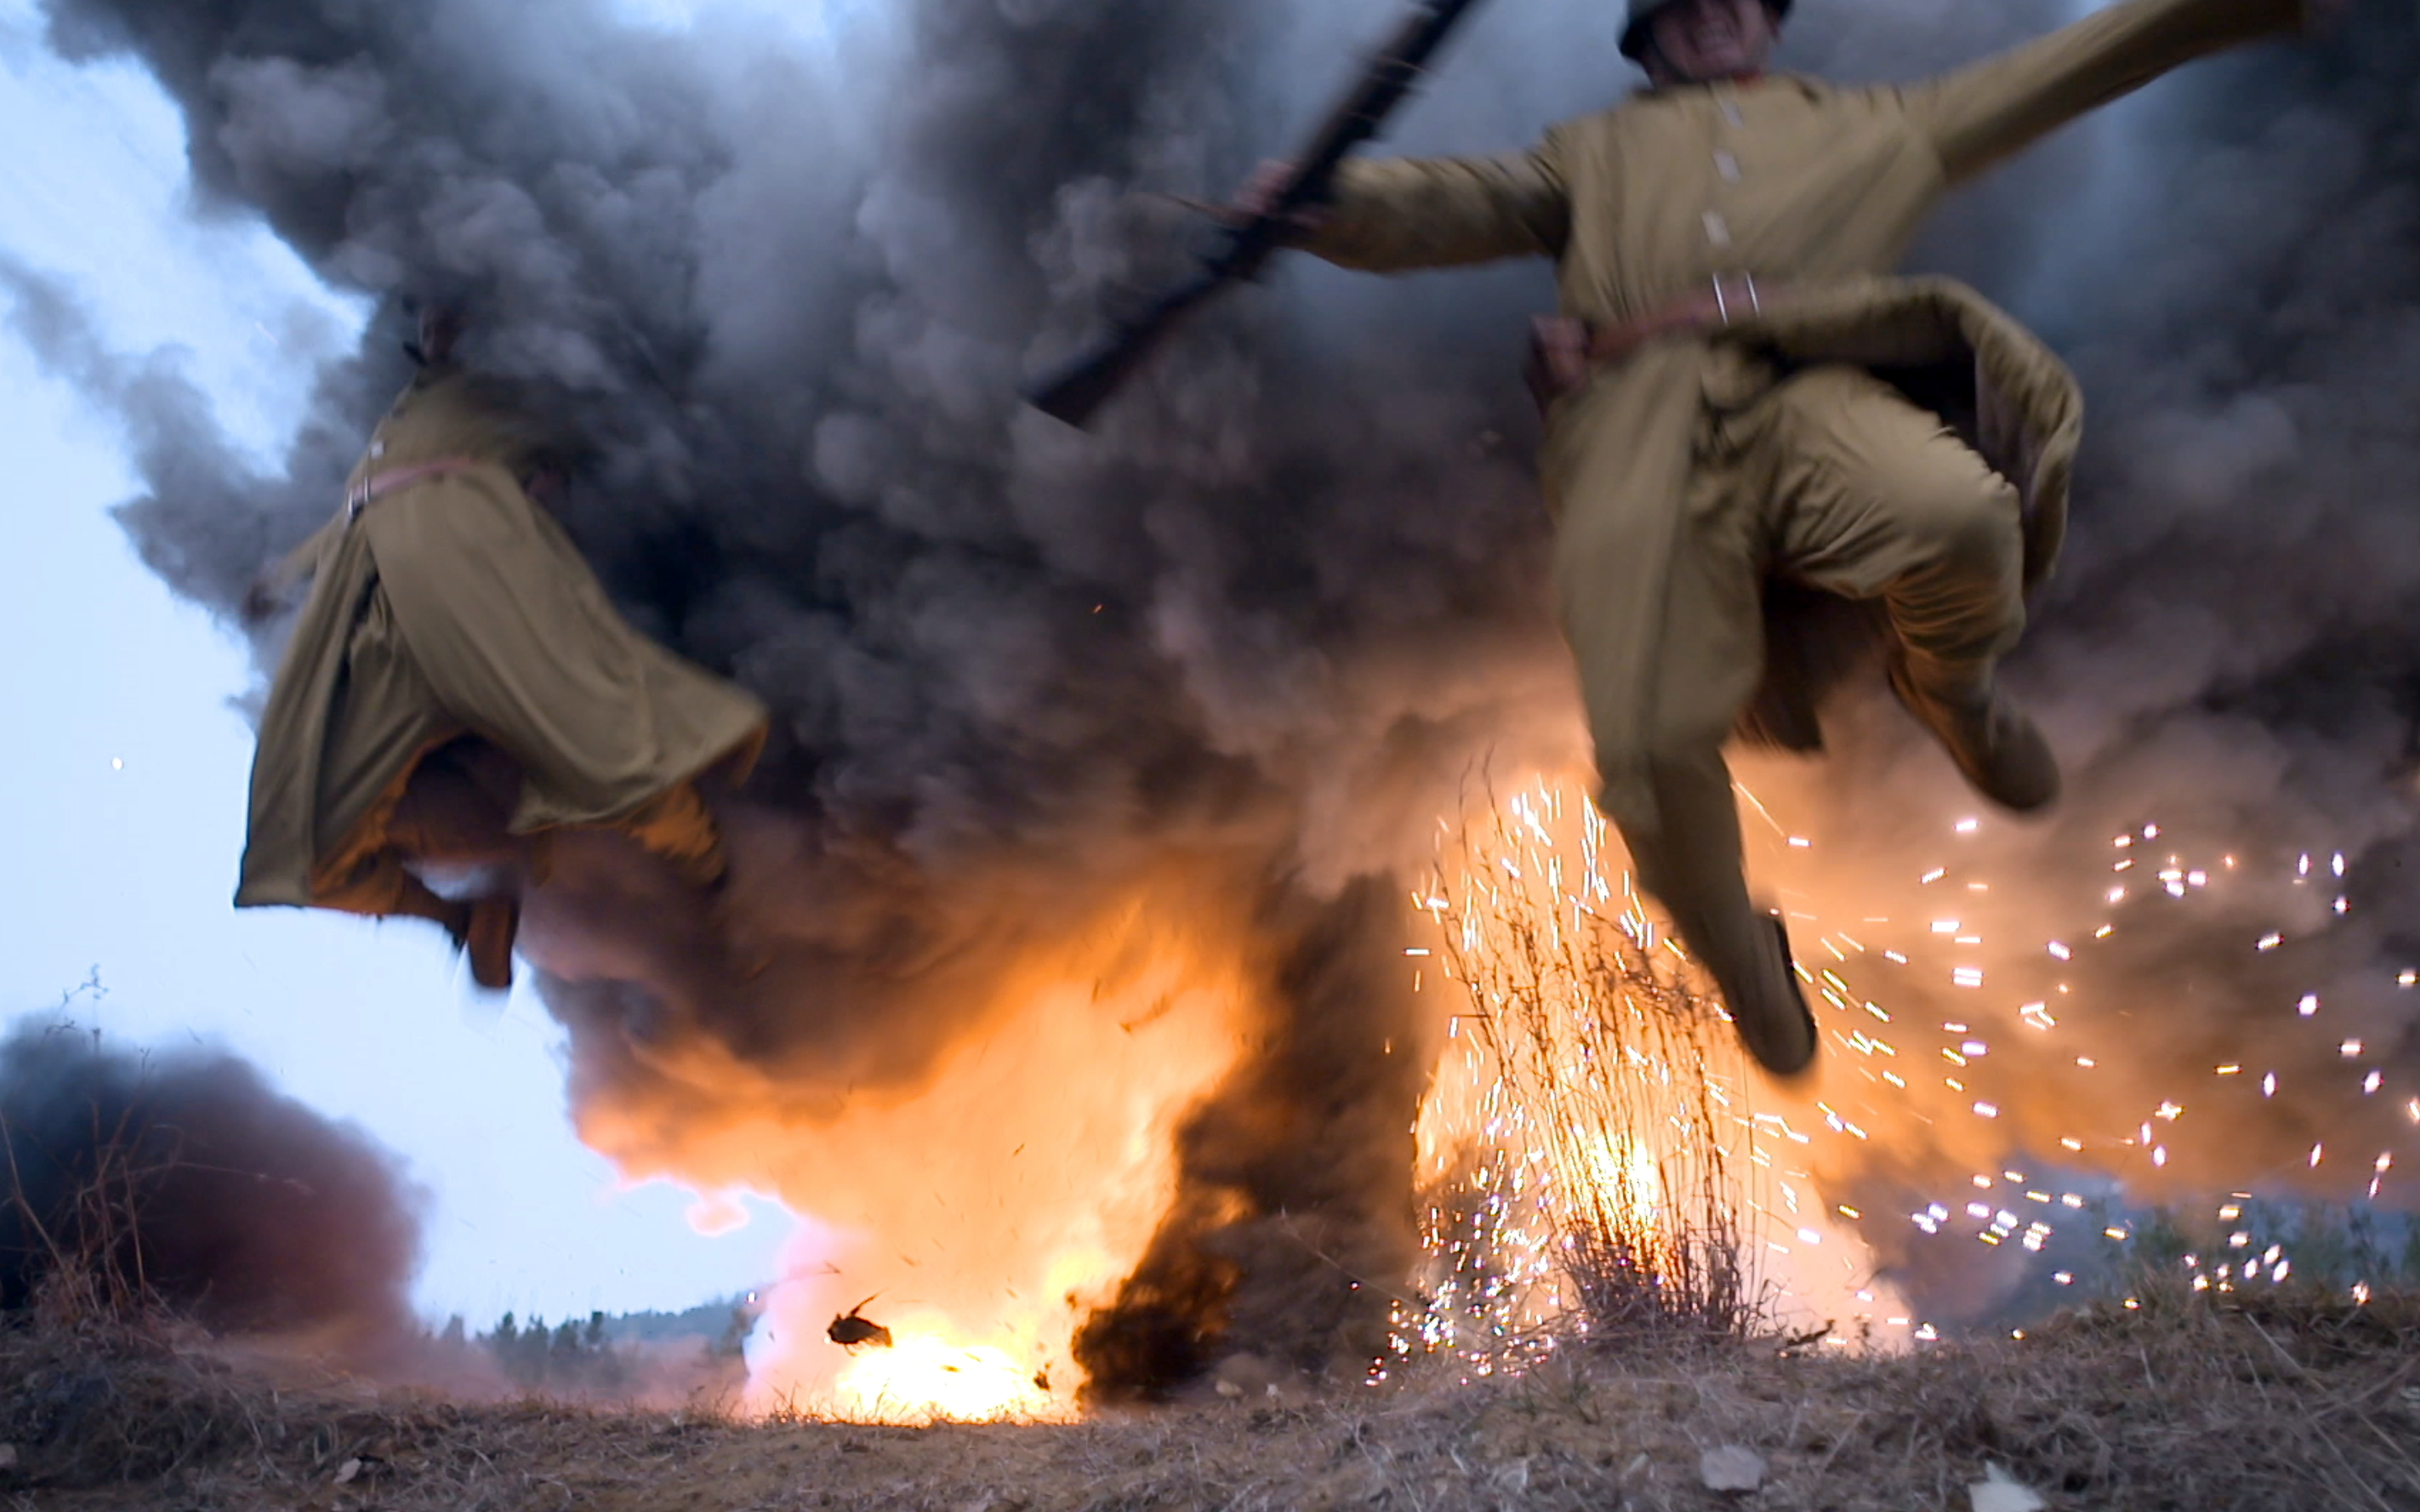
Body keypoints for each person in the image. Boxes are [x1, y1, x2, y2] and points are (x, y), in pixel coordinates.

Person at [1244, 0, 2342, 1075]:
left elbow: (2061, 71)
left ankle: (1949, 689)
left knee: (1957, 516)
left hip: (1807, 397)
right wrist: (1319, 208)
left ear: (1772, 18)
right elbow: (1448, 202)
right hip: (1641, 432)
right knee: (1650, 745)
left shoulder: (1877, 129)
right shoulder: (1590, 154)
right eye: (1681, 4)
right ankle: (1740, 959)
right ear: (1649, 36)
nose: (1710, 12)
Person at [235, 306, 769, 990]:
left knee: (598, 752)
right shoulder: (409, 411)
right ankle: (468, 921)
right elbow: (355, 514)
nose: (432, 330)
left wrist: (546, 476)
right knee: (308, 854)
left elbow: (592, 426)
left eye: (445, 319)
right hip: (371, 624)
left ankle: (718, 877)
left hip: (474, 585)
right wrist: (284, 577)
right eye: (424, 325)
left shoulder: (513, 381)